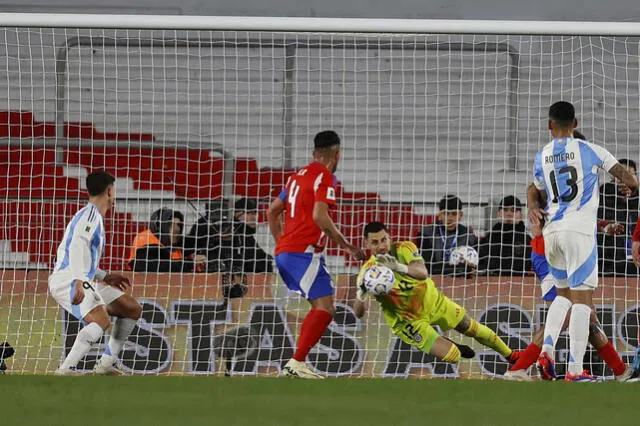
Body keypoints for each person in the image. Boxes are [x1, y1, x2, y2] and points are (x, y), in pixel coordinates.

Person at [527, 101, 638, 382]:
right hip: (580, 231)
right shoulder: (590, 150)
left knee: (562, 297)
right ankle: (575, 370)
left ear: (549, 125)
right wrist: (629, 184)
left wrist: (531, 204)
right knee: (582, 301)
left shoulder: (542, 155)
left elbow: (537, 190)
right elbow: (628, 178)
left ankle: (547, 352)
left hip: (552, 234)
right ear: (575, 124)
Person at [267, 130, 364, 379]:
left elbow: (272, 211)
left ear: (314, 153)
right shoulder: (324, 177)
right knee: (324, 307)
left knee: (323, 307)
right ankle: (295, 363)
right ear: (337, 154)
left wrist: (281, 244)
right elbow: (320, 216)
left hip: (292, 252)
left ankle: (297, 362)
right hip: (303, 254)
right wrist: (348, 246)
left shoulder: (295, 177)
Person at [357, 221, 520, 366]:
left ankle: (511, 355)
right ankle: (450, 344)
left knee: (471, 327)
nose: (381, 246)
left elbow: (422, 272)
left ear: (389, 237)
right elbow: (358, 312)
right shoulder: (367, 273)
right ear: (367, 243)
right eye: (375, 242)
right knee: (454, 356)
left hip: (434, 301)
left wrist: (399, 267)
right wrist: (361, 294)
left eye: (384, 239)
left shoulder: (404, 248)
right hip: (408, 321)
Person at [503, 217, 636, 381]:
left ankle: (621, 372)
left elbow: (571, 209)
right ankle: (521, 367)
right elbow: (559, 209)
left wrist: (600, 226)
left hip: (561, 249)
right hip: (554, 252)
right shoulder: (546, 196)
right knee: (568, 316)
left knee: (586, 317)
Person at [48, 171, 142, 375]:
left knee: (131, 308)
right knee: (100, 320)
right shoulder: (90, 215)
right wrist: (78, 280)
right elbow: (77, 247)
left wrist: (104, 276)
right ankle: (65, 370)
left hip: (79, 277)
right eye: (114, 189)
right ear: (109, 191)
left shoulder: (90, 215)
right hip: (68, 278)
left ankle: (106, 364)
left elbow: (83, 256)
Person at [128, 208, 206, 272]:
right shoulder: (146, 239)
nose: (177, 229)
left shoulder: (172, 240)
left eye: (179, 225)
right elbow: (155, 266)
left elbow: (196, 240)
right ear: (160, 226)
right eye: (170, 224)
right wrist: (190, 263)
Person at [597, 156, 639, 275]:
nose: (625, 179)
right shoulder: (605, 197)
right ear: (613, 179)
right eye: (621, 176)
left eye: (630, 175)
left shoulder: (637, 201)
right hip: (610, 264)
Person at [418, 194, 478, 276]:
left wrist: (471, 265)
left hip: (460, 280)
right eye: (446, 214)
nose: (450, 218)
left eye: (454, 214)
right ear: (439, 216)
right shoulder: (426, 233)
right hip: (434, 277)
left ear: (460, 215)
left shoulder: (468, 235)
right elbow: (425, 265)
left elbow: (478, 263)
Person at [478, 195, 531, 276]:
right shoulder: (488, 240)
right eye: (505, 210)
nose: (509, 214)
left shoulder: (528, 241)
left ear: (521, 215)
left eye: (513, 210)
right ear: (498, 214)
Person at [233, 198, 274, 273]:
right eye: (249, 213)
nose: (253, 217)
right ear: (237, 214)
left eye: (255, 213)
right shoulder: (236, 235)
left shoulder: (250, 235)